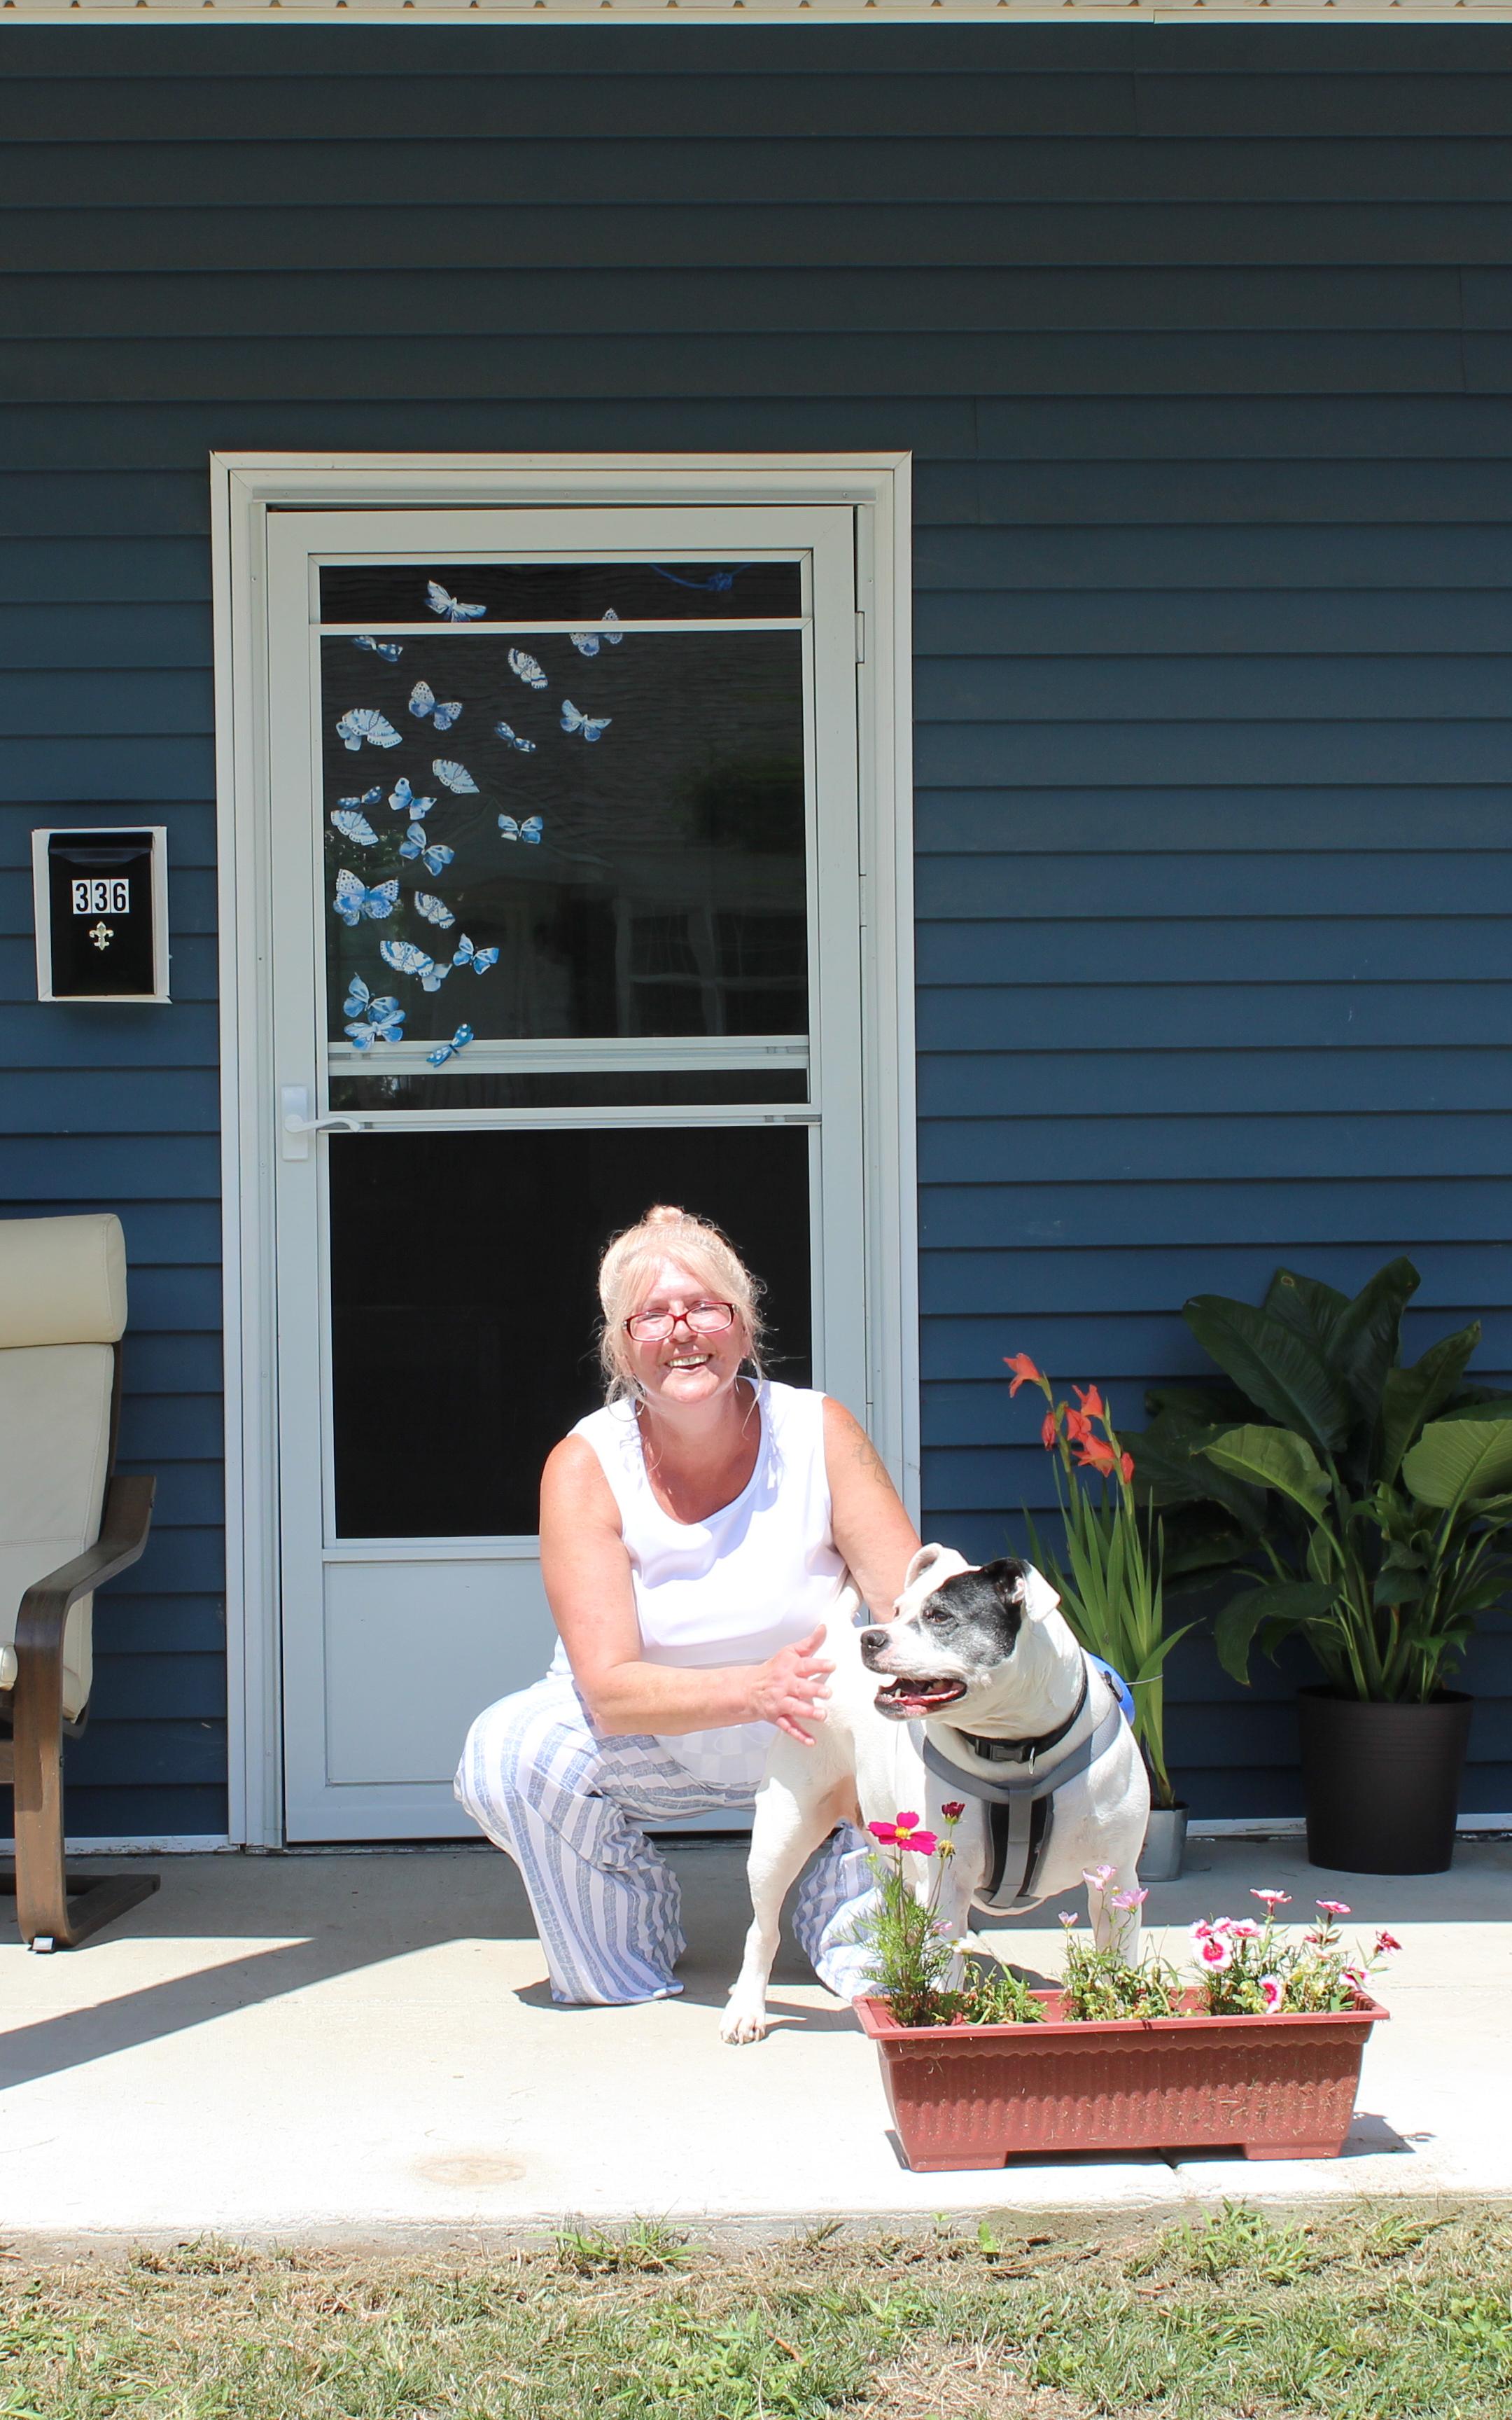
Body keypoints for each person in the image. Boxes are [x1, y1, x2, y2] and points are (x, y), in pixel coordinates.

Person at [454, 1202, 921, 2005]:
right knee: (509, 1753)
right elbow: (607, 1687)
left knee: (893, 1979)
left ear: (743, 1328)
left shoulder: (819, 1428)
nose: (683, 1331)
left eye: (706, 1307)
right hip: (658, 1743)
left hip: (821, 1735)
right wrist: (752, 1689)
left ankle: (835, 1885)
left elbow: (911, 1614)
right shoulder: (583, 1463)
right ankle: (628, 1938)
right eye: (653, 1316)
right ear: (619, 1346)